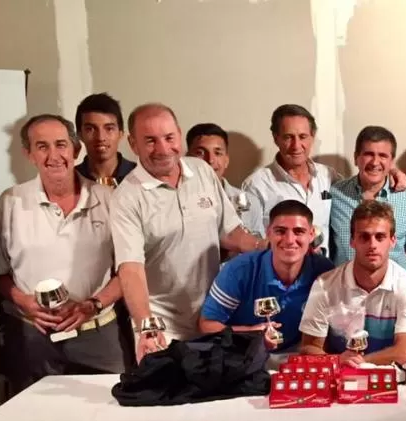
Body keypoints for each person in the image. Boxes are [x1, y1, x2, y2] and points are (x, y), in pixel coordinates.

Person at [110, 103, 263, 362]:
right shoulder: (126, 197)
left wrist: (269, 246)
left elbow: (230, 232)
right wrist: (147, 328)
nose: (162, 149)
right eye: (150, 141)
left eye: (169, 138)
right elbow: (131, 269)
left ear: (179, 135)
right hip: (163, 327)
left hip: (214, 316)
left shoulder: (202, 171)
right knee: (168, 398)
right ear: (133, 144)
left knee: (220, 396)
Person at [0, 114, 127, 394]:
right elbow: (0, 273)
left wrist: (92, 304)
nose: (54, 155)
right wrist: (25, 302)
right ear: (28, 154)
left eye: (61, 145)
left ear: (76, 150)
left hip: (98, 334)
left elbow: (128, 271)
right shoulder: (10, 202)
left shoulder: (110, 200)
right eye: (42, 146)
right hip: (33, 337)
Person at [243, 104, 406, 256]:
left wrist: (392, 171)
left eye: (303, 137)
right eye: (288, 137)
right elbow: (251, 242)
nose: (296, 145)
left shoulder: (328, 177)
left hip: (325, 278)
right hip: (280, 278)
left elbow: (365, 178)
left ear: (312, 137)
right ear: (276, 138)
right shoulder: (256, 185)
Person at [198, 200, 333, 352]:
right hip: (243, 355)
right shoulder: (240, 270)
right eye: (280, 231)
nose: (289, 240)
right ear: (268, 232)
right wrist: (251, 334)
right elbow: (207, 325)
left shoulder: (324, 270)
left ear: (311, 235)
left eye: (298, 231)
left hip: (297, 357)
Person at [298, 200, 406, 366]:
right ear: (352, 241)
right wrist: (339, 361)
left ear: (392, 241)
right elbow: (309, 348)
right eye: (364, 237)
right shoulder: (325, 285)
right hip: (339, 376)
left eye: (380, 237)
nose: (372, 245)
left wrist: (358, 362)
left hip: (390, 378)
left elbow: (405, 351)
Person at [329, 125, 406, 274]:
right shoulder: (334, 194)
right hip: (345, 290)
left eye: (383, 156)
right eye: (368, 154)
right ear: (356, 157)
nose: (375, 162)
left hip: (394, 291)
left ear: (391, 162)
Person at [185, 122, 265, 236]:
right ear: (187, 158)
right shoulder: (177, 201)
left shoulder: (250, 202)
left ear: (226, 160)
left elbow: (257, 248)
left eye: (217, 153)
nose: (210, 160)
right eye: (200, 153)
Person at [74, 92, 136, 186]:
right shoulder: (71, 179)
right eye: (90, 129)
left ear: (120, 133)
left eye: (109, 129)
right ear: (80, 135)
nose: (100, 137)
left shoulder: (139, 175)